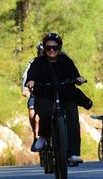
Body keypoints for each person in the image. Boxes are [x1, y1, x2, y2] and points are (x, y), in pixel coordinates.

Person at [25, 32, 87, 165]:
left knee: (73, 119)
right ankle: (43, 136)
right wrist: (30, 82)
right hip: (45, 95)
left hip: (66, 95)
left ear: (59, 48)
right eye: (48, 48)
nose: (52, 50)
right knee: (45, 113)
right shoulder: (38, 62)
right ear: (44, 49)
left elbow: (75, 75)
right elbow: (31, 75)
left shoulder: (66, 61)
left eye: (55, 47)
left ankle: (74, 153)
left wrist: (79, 79)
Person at [22, 42, 44, 152]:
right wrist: (25, 89)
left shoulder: (57, 61)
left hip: (52, 92)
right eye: (43, 51)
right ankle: (36, 136)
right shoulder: (33, 63)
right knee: (32, 114)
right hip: (36, 93)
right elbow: (25, 76)